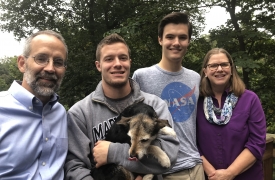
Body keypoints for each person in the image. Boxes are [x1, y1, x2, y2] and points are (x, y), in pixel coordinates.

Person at [64, 33, 179, 180]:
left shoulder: (155, 105)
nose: (117, 63)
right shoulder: (80, 113)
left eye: (123, 58)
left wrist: (113, 152)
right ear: (98, 65)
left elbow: (169, 158)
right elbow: (74, 167)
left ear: (129, 62)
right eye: (109, 59)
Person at [133, 12, 204, 180]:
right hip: (163, 170)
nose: (176, 43)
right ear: (160, 40)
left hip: (196, 167)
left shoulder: (195, 78)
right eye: (170, 37)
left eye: (182, 37)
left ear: (188, 41)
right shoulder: (141, 77)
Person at [0, 30, 68, 179]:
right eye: (41, 59)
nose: (50, 68)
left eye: (58, 62)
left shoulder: (60, 113)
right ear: (22, 64)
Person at [196, 48, 266, 180]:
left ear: (232, 69)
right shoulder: (196, 102)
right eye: (213, 66)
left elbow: (257, 143)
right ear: (205, 71)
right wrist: (212, 174)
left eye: (224, 64)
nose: (219, 69)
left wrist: (229, 173)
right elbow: (191, 142)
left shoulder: (250, 99)